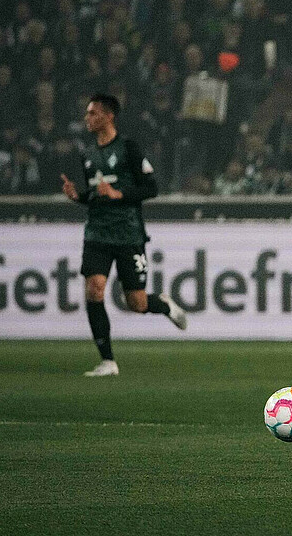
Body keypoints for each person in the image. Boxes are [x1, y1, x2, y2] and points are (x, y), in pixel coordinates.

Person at [61, 93, 187, 377]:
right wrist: (78, 197)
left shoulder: (129, 148)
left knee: (137, 303)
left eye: (92, 113)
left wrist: (119, 193)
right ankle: (108, 361)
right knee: (94, 289)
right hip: (97, 233)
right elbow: (96, 196)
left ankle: (163, 305)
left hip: (128, 234)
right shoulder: (88, 155)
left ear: (108, 116)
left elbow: (151, 188)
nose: (87, 119)